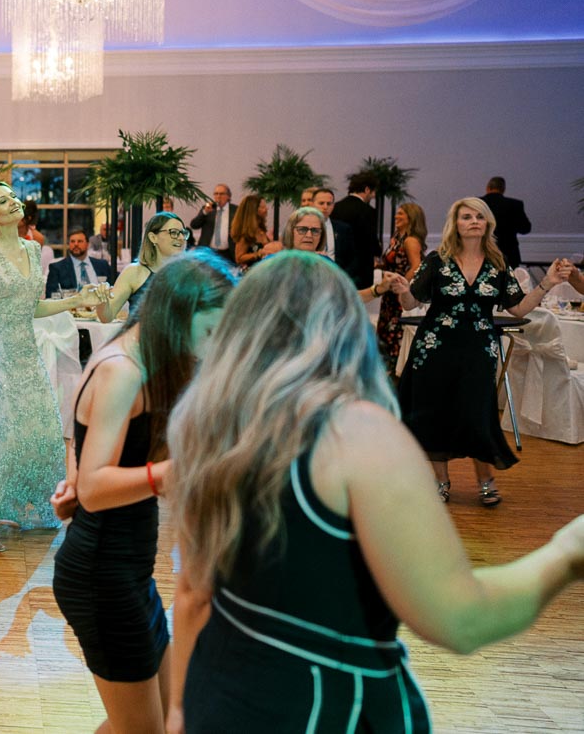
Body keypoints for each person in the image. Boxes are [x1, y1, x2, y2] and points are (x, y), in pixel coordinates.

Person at [165, 252, 584, 734]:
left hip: (221, 686)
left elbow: (194, 591)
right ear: (344, 329)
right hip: (325, 705)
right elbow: (459, 618)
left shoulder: (211, 425)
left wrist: (179, 709)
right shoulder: (357, 432)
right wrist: (565, 555)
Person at [53, 253, 234, 734]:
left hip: (128, 569)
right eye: (211, 333)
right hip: (101, 577)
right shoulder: (124, 368)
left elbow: (81, 444)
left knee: (161, 718)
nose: (213, 347)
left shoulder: (148, 360)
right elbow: (94, 488)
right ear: (178, 315)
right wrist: (176, 471)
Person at [0, 180, 104, 555]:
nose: (12, 203)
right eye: (2, 201)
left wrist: (79, 299)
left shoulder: (32, 247)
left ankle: (14, 505)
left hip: (23, 350)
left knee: (40, 429)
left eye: (12, 197)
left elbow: (34, 307)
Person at [390, 198, 567, 507]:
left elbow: (518, 308)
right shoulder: (437, 260)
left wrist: (548, 283)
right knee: (433, 414)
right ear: (455, 224)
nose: (473, 221)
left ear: (488, 224)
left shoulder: (498, 265)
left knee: (477, 414)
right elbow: (410, 304)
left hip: (478, 350)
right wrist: (402, 289)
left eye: (479, 217)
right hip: (434, 349)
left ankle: (486, 480)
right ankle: (441, 482)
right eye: (466, 217)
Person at [96, 212, 188, 324]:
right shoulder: (134, 272)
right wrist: (101, 299)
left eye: (183, 233)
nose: (181, 238)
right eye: (173, 233)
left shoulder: (190, 274)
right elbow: (107, 316)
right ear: (153, 237)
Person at [376, 202, 427, 377]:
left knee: (396, 332)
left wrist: (401, 284)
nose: (397, 217)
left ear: (411, 218)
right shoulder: (397, 237)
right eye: (397, 214)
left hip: (399, 294)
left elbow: (416, 266)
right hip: (389, 294)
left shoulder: (411, 241)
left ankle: (397, 374)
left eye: (401, 215)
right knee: (386, 332)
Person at [329, 172, 380, 286]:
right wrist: (378, 252)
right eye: (374, 192)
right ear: (367, 189)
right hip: (361, 269)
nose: (374, 196)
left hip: (339, 265)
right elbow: (369, 240)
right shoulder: (368, 211)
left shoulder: (335, 207)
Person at [45, 229, 117, 297]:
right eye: (72, 241)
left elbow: (115, 287)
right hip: (71, 308)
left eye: (80, 241)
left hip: (100, 306)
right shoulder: (57, 268)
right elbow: (51, 295)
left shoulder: (102, 265)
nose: (76, 244)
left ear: (87, 244)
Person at [481, 177, 532, 269]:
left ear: (488, 188)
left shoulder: (479, 204)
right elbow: (525, 228)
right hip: (509, 253)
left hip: (483, 251)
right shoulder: (515, 205)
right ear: (503, 190)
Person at [230, 195, 280, 270]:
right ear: (254, 211)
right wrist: (258, 254)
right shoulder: (245, 234)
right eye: (262, 207)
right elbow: (239, 258)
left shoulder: (261, 230)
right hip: (252, 274)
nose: (266, 209)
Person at [189, 184, 236, 264]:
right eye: (216, 194)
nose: (218, 196)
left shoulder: (235, 210)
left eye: (221, 194)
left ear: (228, 196)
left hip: (228, 253)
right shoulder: (208, 209)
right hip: (208, 251)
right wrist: (204, 213)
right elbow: (194, 225)